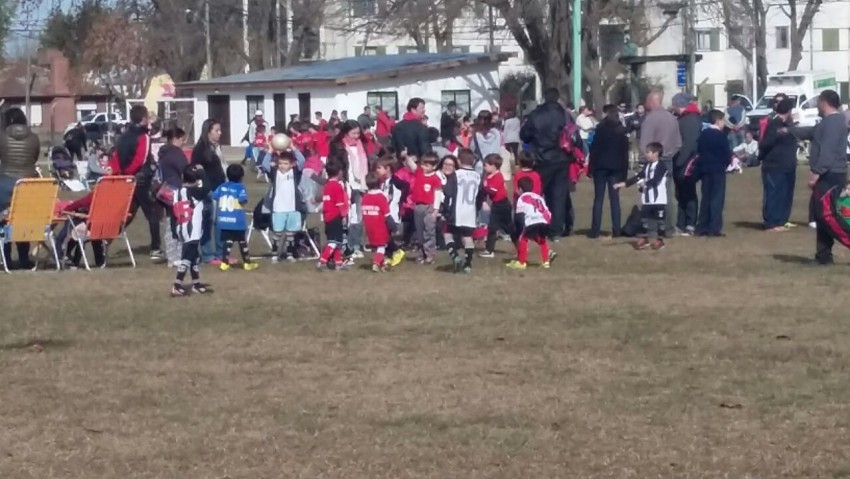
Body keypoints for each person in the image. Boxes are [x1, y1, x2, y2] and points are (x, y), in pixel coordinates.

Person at [110, 104, 164, 261]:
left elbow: (116, 155)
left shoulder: (124, 136)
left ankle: (107, 238)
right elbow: (140, 159)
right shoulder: (143, 137)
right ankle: (155, 248)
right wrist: (131, 173)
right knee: (152, 213)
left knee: (128, 213)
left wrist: (122, 173)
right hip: (139, 180)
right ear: (143, 119)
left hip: (126, 179)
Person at [520, 88, 571, 240]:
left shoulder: (536, 114)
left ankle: (536, 226)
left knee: (536, 194)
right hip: (562, 158)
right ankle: (555, 231)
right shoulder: (565, 115)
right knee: (558, 196)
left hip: (541, 159)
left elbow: (525, 135)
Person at [809, 90, 850, 265]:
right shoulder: (828, 122)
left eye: (818, 101)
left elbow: (828, 150)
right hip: (829, 173)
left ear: (824, 102)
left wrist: (816, 173)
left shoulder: (833, 122)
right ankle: (823, 256)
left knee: (827, 215)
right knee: (820, 216)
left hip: (830, 174)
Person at [640, 89, 681, 234]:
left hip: (653, 161)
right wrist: (669, 155)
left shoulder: (650, 118)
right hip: (668, 159)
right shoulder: (672, 118)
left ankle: (652, 226)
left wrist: (644, 159)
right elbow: (678, 143)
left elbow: (645, 142)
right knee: (667, 194)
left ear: (652, 101)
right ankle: (669, 226)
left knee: (651, 193)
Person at [614, 142, 668, 250]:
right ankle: (644, 239)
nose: (646, 154)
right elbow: (638, 177)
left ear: (656, 153)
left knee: (659, 221)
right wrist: (624, 184)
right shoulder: (647, 166)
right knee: (644, 220)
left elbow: (656, 180)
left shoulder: (661, 166)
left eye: (648, 152)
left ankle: (660, 240)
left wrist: (645, 183)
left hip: (658, 199)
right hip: (647, 200)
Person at [171, 164, 212, 297]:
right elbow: (207, 187)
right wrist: (202, 172)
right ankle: (177, 284)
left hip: (181, 226)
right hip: (192, 228)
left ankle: (196, 284)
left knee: (194, 257)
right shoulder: (196, 192)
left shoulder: (177, 192)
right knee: (188, 257)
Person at [588, 104, 629, 238]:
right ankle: (616, 230)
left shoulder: (600, 129)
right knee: (614, 199)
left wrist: (590, 168)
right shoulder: (621, 131)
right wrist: (624, 173)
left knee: (598, 199)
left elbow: (594, 150)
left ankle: (595, 230)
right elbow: (624, 153)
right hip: (616, 167)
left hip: (600, 166)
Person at [331, 120, 369, 259]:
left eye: (358, 133)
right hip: (346, 182)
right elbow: (334, 164)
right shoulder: (338, 146)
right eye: (353, 133)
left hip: (360, 183)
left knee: (357, 216)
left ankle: (356, 245)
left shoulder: (362, 145)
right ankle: (343, 246)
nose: (356, 136)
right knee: (343, 215)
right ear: (346, 132)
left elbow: (367, 161)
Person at [759, 98, 798, 232]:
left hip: (787, 165)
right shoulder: (774, 124)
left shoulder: (789, 125)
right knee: (774, 194)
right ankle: (771, 222)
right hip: (774, 166)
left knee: (785, 194)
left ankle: (781, 220)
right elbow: (765, 144)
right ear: (789, 110)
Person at [442, 148, 481, 273]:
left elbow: (448, 192)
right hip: (470, 211)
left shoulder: (456, 174)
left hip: (457, 211)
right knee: (468, 237)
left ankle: (455, 256)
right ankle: (468, 264)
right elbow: (480, 195)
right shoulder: (477, 176)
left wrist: (445, 210)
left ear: (458, 160)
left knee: (447, 233)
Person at [213, 164, 258, 271]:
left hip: (224, 219)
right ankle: (247, 263)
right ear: (241, 176)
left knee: (228, 241)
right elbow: (243, 200)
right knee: (242, 241)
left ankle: (224, 263)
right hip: (237, 220)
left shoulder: (221, 186)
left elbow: (215, 196)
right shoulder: (240, 187)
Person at [695, 109, 732, 237]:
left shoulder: (703, 134)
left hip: (705, 170)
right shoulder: (721, 136)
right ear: (718, 120)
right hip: (717, 170)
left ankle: (702, 226)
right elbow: (727, 154)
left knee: (706, 198)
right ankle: (714, 227)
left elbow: (699, 151)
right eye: (722, 120)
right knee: (716, 199)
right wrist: (726, 165)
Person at [158, 127, 190, 267]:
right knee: (179, 223)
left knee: (171, 222)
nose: (184, 142)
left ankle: (171, 256)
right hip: (176, 191)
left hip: (165, 191)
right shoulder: (176, 153)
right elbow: (186, 171)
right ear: (175, 139)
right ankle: (176, 256)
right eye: (182, 140)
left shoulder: (163, 153)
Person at [671, 93, 702, 236]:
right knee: (681, 193)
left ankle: (690, 224)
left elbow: (689, 143)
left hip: (688, 161)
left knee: (688, 193)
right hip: (682, 160)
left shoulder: (690, 119)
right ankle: (681, 223)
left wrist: (679, 161)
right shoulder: (684, 118)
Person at [264, 152, 304, 263]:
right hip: (278, 208)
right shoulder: (275, 173)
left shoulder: (294, 172)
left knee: (290, 233)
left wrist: (293, 148)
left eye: (286, 163)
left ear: (291, 164)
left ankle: (289, 254)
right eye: (280, 163)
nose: (282, 166)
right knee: (277, 233)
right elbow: (264, 164)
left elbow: (302, 161)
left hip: (292, 208)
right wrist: (270, 151)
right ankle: (274, 254)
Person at [507, 177, 553, 270]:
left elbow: (520, 215)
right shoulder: (539, 197)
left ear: (520, 189)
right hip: (544, 221)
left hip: (532, 221)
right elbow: (546, 210)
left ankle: (522, 262)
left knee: (523, 239)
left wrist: (520, 228)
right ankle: (546, 261)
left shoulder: (522, 198)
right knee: (542, 240)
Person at [406, 151, 442, 264]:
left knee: (429, 231)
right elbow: (412, 165)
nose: (423, 167)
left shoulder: (436, 178)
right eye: (422, 164)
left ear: (434, 166)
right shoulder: (419, 173)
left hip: (429, 207)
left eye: (427, 165)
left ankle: (430, 254)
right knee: (420, 231)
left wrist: (436, 210)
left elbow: (437, 194)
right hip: (418, 206)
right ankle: (421, 254)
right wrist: (406, 155)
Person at [362, 172, 399, 272]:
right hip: (380, 226)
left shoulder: (365, 197)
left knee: (377, 246)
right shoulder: (381, 197)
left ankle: (383, 264)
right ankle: (376, 263)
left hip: (369, 226)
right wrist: (394, 227)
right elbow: (387, 215)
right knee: (382, 246)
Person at [318, 158, 349, 271]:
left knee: (337, 241)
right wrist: (344, 215)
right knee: (333, 241)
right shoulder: (337, 186)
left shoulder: (327, 186)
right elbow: (340, 203)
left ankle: (338, 263)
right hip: (335, 217)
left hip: (327, 216)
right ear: (339, 172)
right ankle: (323, 261)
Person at [480, 154, 514, 258]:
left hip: (503, 205)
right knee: (492, 228)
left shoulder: (498, 176)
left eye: (486, 165)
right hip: (496, 205)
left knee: (509, 229)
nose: (484, 167)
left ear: (493, 166)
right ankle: (489, 250)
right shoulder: (488, 176)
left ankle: (520, 244)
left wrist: (484, 186)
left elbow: (492, 191)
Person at [472, 110, 502, 175]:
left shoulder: (476, 135)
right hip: (494, 166)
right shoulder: (496, 133)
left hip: (481, 167)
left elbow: (472, 151)